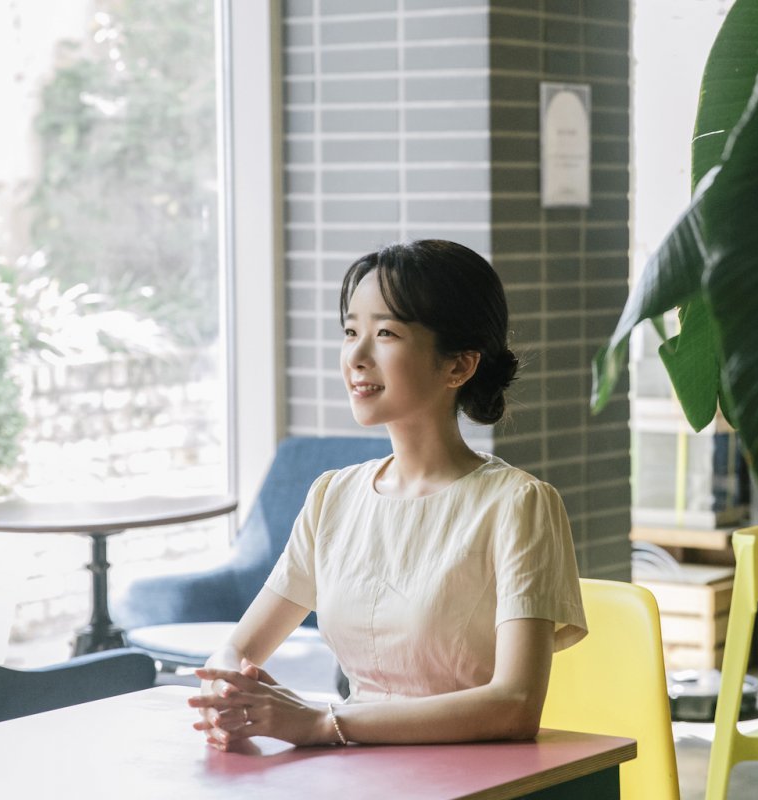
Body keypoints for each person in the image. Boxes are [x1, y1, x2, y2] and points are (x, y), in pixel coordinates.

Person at [188, 239, 587, 750]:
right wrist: (230, 691)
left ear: (459, 367)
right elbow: (237, 647)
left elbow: (515, 705)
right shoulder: (333, 496)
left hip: (478, 777)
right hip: (355, 772)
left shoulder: (519, 505)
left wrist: (321, 724)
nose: (356, 355)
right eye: (351, 331)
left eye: (385, 334)